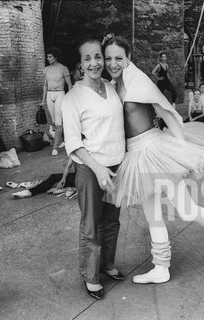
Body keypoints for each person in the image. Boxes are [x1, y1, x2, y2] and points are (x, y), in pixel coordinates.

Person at [103, 35, 204, 285]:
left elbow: (166, 111)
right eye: (109, 58)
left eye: (118, 58)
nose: (113, 63)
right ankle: (161, 266)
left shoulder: (138, 81)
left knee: (185, 209)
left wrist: (182, 150)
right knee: (152, 215)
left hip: (155, 150)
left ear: (128, 58)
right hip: (134, 156)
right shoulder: (113, 84)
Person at [61, 40, 126, 300]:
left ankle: (107, 264)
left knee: (111, 220)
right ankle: (91, 276)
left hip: (116, 165)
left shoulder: (111, 88)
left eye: (98, 57)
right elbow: (74, 143)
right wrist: (98, 168)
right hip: (90, 169)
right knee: (91, 224)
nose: (95, 63)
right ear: (80, 64)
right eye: (87, 59)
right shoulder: (72, 98)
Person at [42, 47, 73, 156]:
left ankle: (55, 147)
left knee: (58, 122)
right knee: (55, 122)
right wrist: (43, 101)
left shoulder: (63, 68)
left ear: (55, 57)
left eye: (50, 57)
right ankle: (64, 141)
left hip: (60, 94)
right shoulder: (46, 69)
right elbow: (45, 86)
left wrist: (70, 98)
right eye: (47, 56)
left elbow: (69, 85)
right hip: (49, 95)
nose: (48, 59)